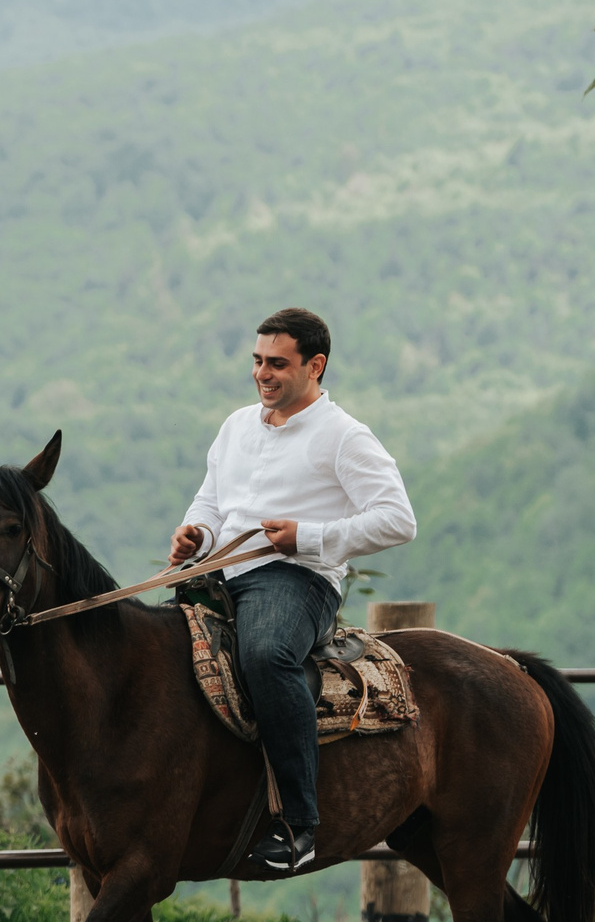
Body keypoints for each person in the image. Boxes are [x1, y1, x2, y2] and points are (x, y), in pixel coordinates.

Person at [168, 307, 416, 874]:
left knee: (265, 654)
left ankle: (300, 826)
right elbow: (212, 500)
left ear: (315, 365)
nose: (263, 374)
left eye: (277, 363)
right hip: (219, 573)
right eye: (257, 361)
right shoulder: (235, 425)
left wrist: (309, 537)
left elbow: (399, 520)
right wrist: (196, 532)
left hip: (299, 579)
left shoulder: (345, 436)